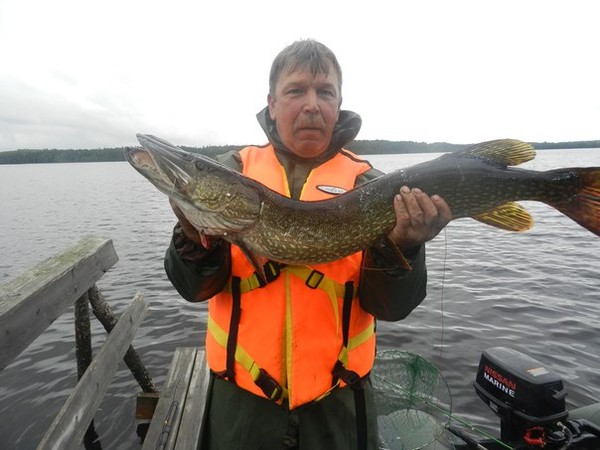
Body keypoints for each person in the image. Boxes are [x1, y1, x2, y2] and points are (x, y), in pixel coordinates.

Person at [164, 39, 452, 450]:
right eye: (296, 90)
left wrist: (404, 247)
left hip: (339, 403)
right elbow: (192, 289)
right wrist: (194, 238)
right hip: (243, 405)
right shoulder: (231, 174)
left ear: (339, 104)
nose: (312, 105)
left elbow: (391, 308)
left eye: (325, 92)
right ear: (272, 104)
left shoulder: (373, 187)